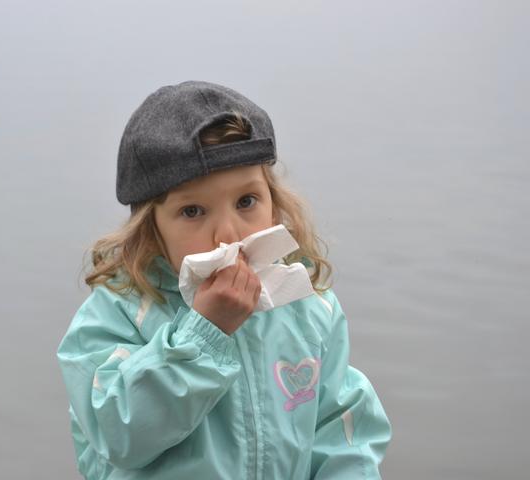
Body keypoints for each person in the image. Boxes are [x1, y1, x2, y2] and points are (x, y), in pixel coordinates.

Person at [56, 80, 392, 479]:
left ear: (274, 203)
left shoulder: (308, 307)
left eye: (246, 201)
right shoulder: (117, 314)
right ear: (150, 227)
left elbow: (341, 430)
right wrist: (205, 333)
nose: (228, 235)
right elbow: (117, 435)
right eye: (193, 211)